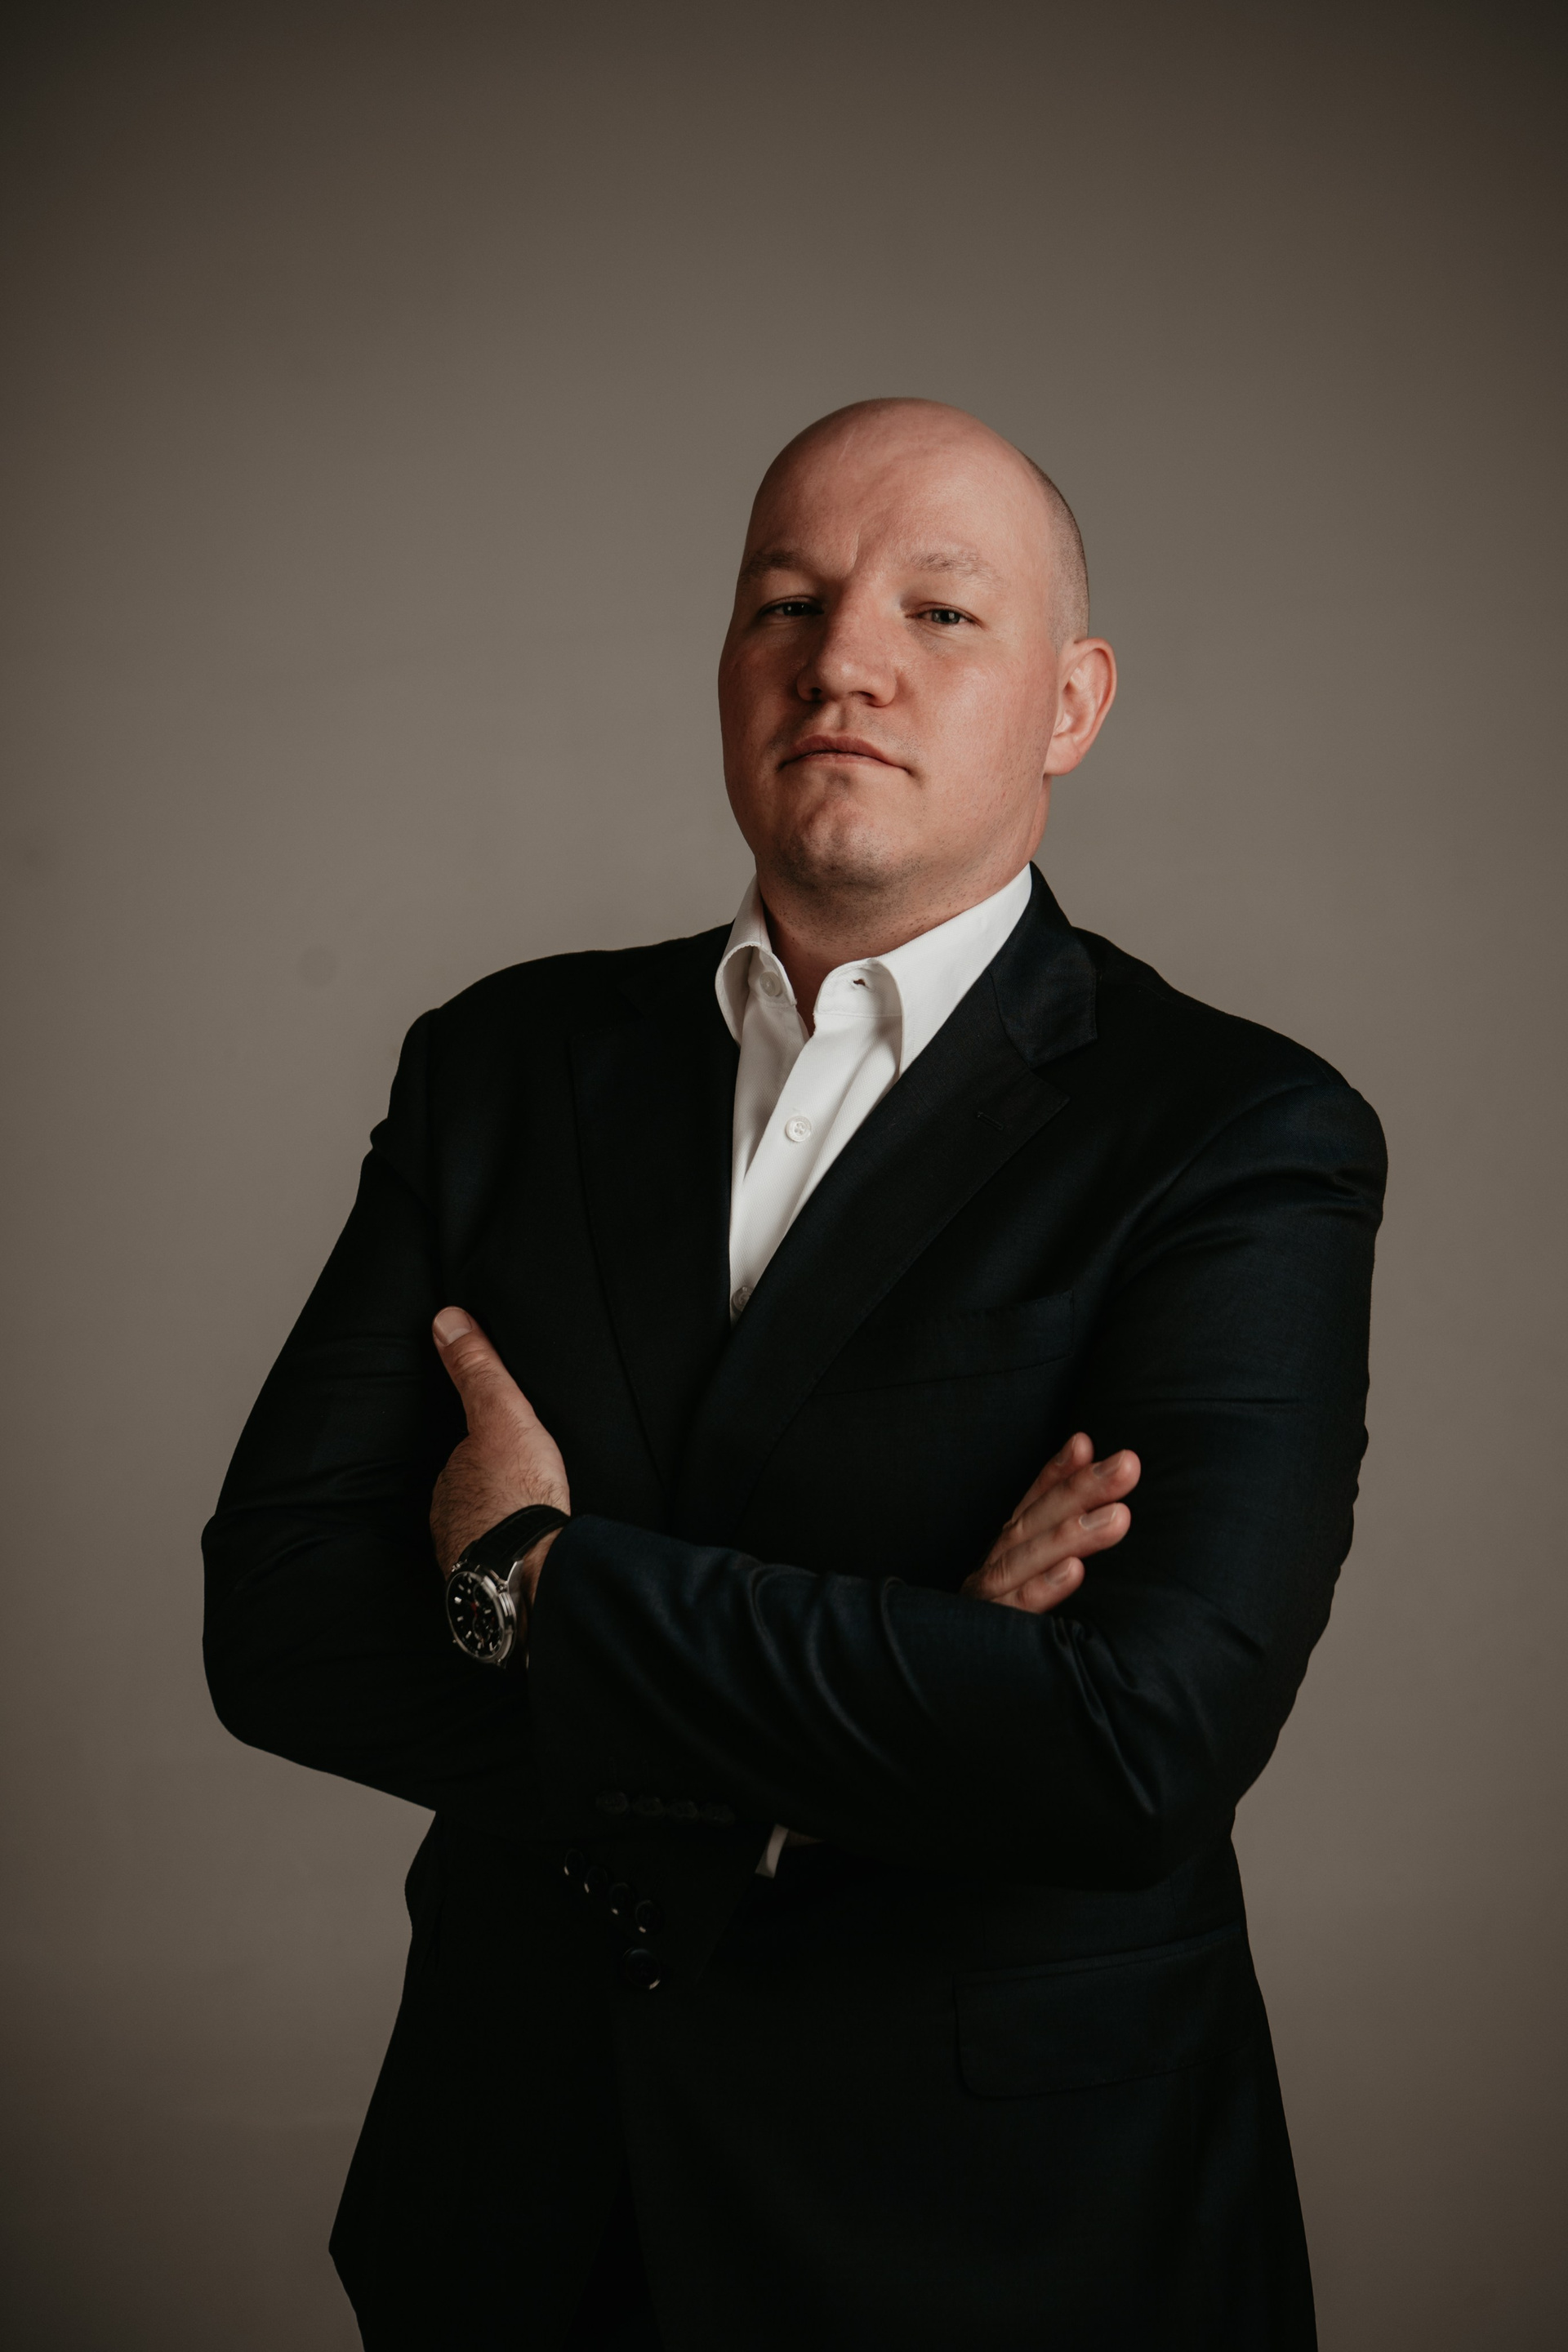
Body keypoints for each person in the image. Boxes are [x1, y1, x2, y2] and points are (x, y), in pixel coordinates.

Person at [203, 398, 1384, 2350]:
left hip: (1001, 2238)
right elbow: (279, 1620)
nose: (842, 660)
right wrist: (916, 1684)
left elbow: (1133, 1751)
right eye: (786, 601)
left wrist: (539, 1584)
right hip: (525, 2200)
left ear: (1072, 704)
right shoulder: (503, 1066)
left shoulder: (1235, 1135)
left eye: (940, 612)